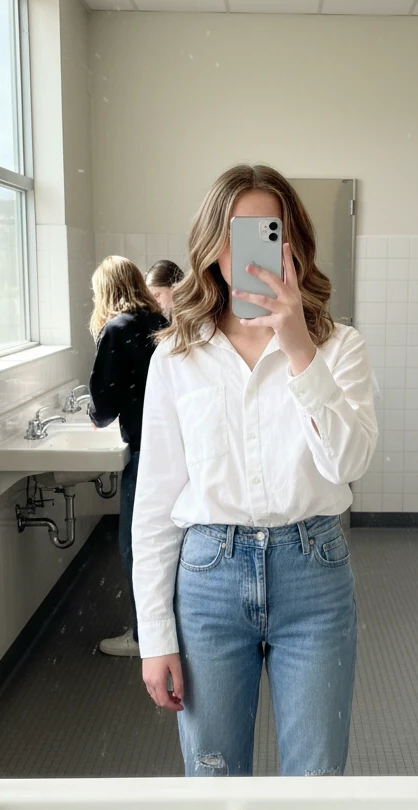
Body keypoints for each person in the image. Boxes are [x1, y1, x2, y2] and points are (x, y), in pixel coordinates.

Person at [132, 164, 378, 777]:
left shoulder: (339, 346)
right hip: (208, 579)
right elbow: (156, 502)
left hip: (314, 576)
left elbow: (349, 465)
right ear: (213, 244)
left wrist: (298, 346)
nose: (250, 247)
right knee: (214, 786)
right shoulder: (176, 356)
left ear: (290, 240)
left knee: (316, 784)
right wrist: (155, 633)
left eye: (266, 230)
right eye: (235, 232)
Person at [88, 256, 167, 656]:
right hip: (172, 445)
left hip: (144, 450)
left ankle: (143, 637)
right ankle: (170, 628)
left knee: (135, 546)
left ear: (106, 291)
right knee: (168, 542)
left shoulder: (116, 329)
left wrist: (93, 413)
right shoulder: (157, 322)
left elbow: (103, 406)